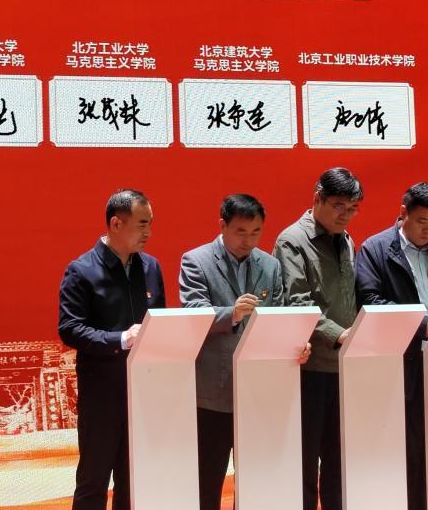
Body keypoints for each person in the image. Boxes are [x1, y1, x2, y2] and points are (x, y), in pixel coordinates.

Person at [180, 193, 308, 510]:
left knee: (256, 479)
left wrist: (295, 344)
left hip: (257, 391)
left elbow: (279, 316)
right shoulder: (196, 261)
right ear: (222, 225)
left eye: (255, 232)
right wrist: (232, 313)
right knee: (207, 479)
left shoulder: (270, 265)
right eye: (240, 232)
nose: (248, 241)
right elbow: (193, 313)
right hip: (213, 390)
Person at [354, 182, 428, 510]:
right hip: (402, 363)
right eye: (422, 221)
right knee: (408, 447)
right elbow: (370, 301)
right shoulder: (375, 248)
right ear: (403, 213)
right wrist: (423, 326)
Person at [59, 189, 166, 510]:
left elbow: (159, 321)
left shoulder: (151, 267)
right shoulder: (81, 270)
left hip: (142, 393)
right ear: (116, 224)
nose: (149, 232)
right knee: (93, 481)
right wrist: (120, 339)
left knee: (134, 483)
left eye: (151, 223)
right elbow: (70, 328)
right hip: (101, 396)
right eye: (142, 224)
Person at [274, 167, 363, 510]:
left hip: (345, 365)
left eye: (352, 208)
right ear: (317, 199)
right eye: (339, 206)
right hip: (309, 367)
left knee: (340, 458)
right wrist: (340, 335)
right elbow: (297, 304)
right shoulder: (292, 240)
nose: (346, 215)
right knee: (305, 459)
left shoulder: (347, 240)